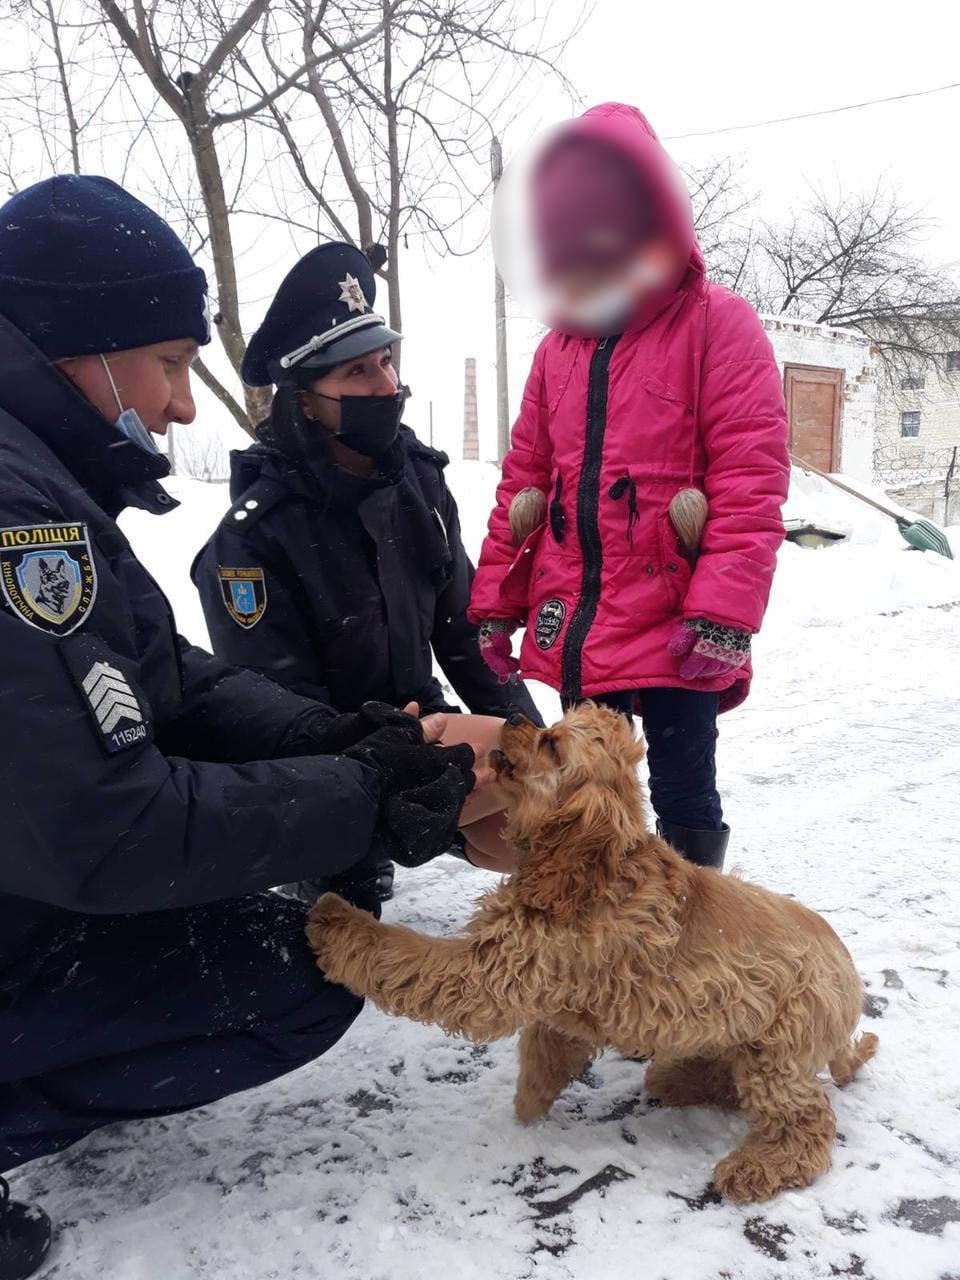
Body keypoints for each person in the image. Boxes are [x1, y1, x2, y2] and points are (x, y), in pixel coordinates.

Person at [0, 176, 483, 1279]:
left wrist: (364, 743)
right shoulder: (24, 518)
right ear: (90, 344)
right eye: (171, 362)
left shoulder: (52, 488)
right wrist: (363, 796)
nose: (180, 404)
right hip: (55, 868)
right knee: (304, 962)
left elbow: (174, 682)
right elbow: (107, 823)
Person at [470, 103, 791, 870]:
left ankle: (689, 929)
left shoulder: (719, 326)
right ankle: (603, 929)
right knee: (585, 796)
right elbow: (525, 486)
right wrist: (495, 602)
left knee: (683, 791)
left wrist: (722, 613)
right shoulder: (559, 351)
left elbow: (752, 481)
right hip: (580, 619)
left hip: (676, 619)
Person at [193, 242, 541, 897]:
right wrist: (376, 770)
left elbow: (465, 633)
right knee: (341, 941)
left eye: (385, 361)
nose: (387, 386)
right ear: (303, 398)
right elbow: (276, 712)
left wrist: (535, 735)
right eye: (357, 373)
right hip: (329, 761)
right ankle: (339, 858)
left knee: (551, 794)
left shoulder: (419, 485)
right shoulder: (255, 537)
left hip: (421, 725)